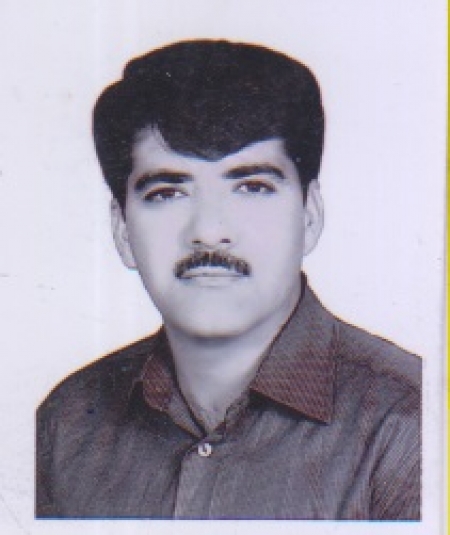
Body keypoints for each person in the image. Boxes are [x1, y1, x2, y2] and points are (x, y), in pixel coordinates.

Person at [36, 39, 421, 520]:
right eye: (166, 193)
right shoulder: (66, 423)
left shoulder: (413, 425)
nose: (208, 231)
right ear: (122, 229)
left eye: (251, 187)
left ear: (310, 215)